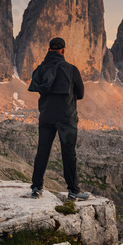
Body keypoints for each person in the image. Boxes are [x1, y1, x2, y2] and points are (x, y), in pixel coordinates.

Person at [29, 37, 89, 201]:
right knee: (68, 153)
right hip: (66, 117)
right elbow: (81, 94)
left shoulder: (40, 70)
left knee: (42, 151)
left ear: (49, 50)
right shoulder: (71, 69)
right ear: (63, 50)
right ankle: (73, 190)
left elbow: (36, 87)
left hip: (46, 116)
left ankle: (36, 187)